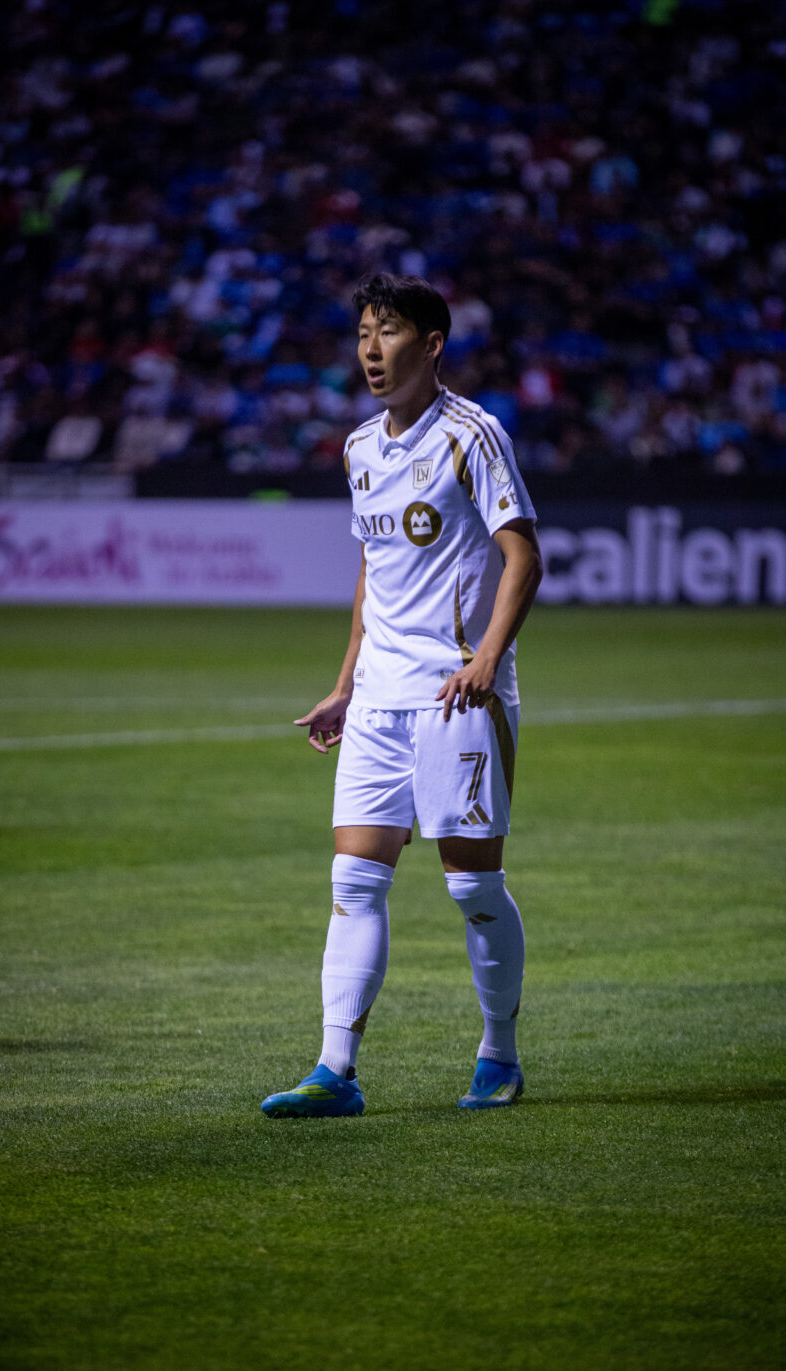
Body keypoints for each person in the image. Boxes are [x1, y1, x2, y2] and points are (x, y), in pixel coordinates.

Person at [261, 273, 543, 1118]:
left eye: (387, 333)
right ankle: (333, 1072)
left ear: (431, 343)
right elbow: (371, 576)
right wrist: (346, 686)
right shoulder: (358, 449)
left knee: (471, 888)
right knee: (354, 881)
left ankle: (499, 1054)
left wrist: (488, 657)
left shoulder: (473, 435)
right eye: (361, 334)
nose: (370, 351)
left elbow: (523, 556)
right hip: (379, 703)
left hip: (457, 697)